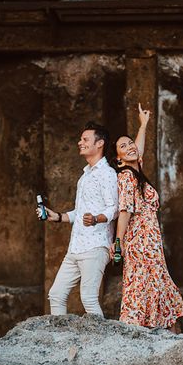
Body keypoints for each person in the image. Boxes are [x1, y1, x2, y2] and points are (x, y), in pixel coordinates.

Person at [111, 104, 183, 333]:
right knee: (144, 287)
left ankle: (175, 341)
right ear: (119, 158)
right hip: (140, 242)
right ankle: (139, 338)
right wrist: (118, 242)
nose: (130, 147)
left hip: (151, 243)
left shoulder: (136, 172)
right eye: (123, 147)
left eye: (130, 143)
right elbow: (125, 211)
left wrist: (143, 125)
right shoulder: (126, 177)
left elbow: (139, 150)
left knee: (159, 286)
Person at [38, 122, 118, 317]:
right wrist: (56, 216)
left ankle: (100, 344)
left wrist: (97, 219)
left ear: (99, 144)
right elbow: (80, 213)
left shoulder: (107, 174)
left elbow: (114, 208)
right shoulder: (85, 176)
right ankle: (60, 340)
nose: (79, 142)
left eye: (85, 139)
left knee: (89, 298)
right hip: (75, 247)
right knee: (56, 294)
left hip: (96, 246)